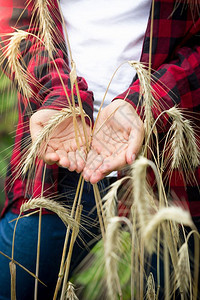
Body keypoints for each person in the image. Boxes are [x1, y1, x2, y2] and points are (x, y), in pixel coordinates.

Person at [0, 0, 199, 299]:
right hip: (60, 158)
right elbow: (15, 21)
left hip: (169, 161)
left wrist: (147, 100)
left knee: (173, 288)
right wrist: (59, 97)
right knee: (15, 283)